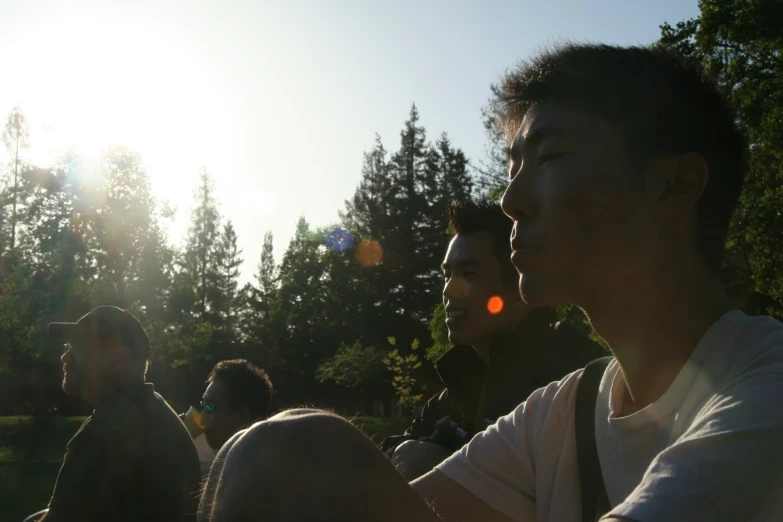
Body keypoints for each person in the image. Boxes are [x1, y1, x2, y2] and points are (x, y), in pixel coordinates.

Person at [197, 43, 783, 522]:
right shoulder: (558, 414)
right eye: (511, 168)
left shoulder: (767, 381)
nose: (511, 200)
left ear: (676, 185)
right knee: (277, 454)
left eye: (548, 158)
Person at [381, 199, 604, 480]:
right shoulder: (461, 385)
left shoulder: (575, 376)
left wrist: (444, 464)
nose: (449, 291)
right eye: (447, 274)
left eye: (469, 274)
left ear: (521, 288)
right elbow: (394, 449)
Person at [24, 306, 201, 522]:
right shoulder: (154, 409)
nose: (65, 356)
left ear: (120, 355)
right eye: (67, 346)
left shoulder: (107, 431)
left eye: (78, 345)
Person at [180, 359, 273, 474]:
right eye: (203, 405)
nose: (202, 414)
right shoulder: (220, 467)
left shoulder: (256, 475)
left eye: (211, 406)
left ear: (241, 414)